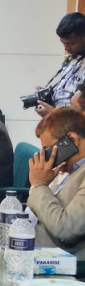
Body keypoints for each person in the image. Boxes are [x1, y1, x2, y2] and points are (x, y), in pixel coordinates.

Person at [28, 107, 85, 259]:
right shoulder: (67, 167)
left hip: (55, 262)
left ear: (71, 140)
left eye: (47, 149)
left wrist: (39, 185)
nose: (45, 156)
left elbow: (67, 229)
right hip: (28, 244)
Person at [36, 12, 85, 117]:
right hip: (60, 128)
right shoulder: (71, 60)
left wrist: (53, 114)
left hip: (76, 131)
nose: (66, 48)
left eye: (71, 43)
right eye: (63, 43)